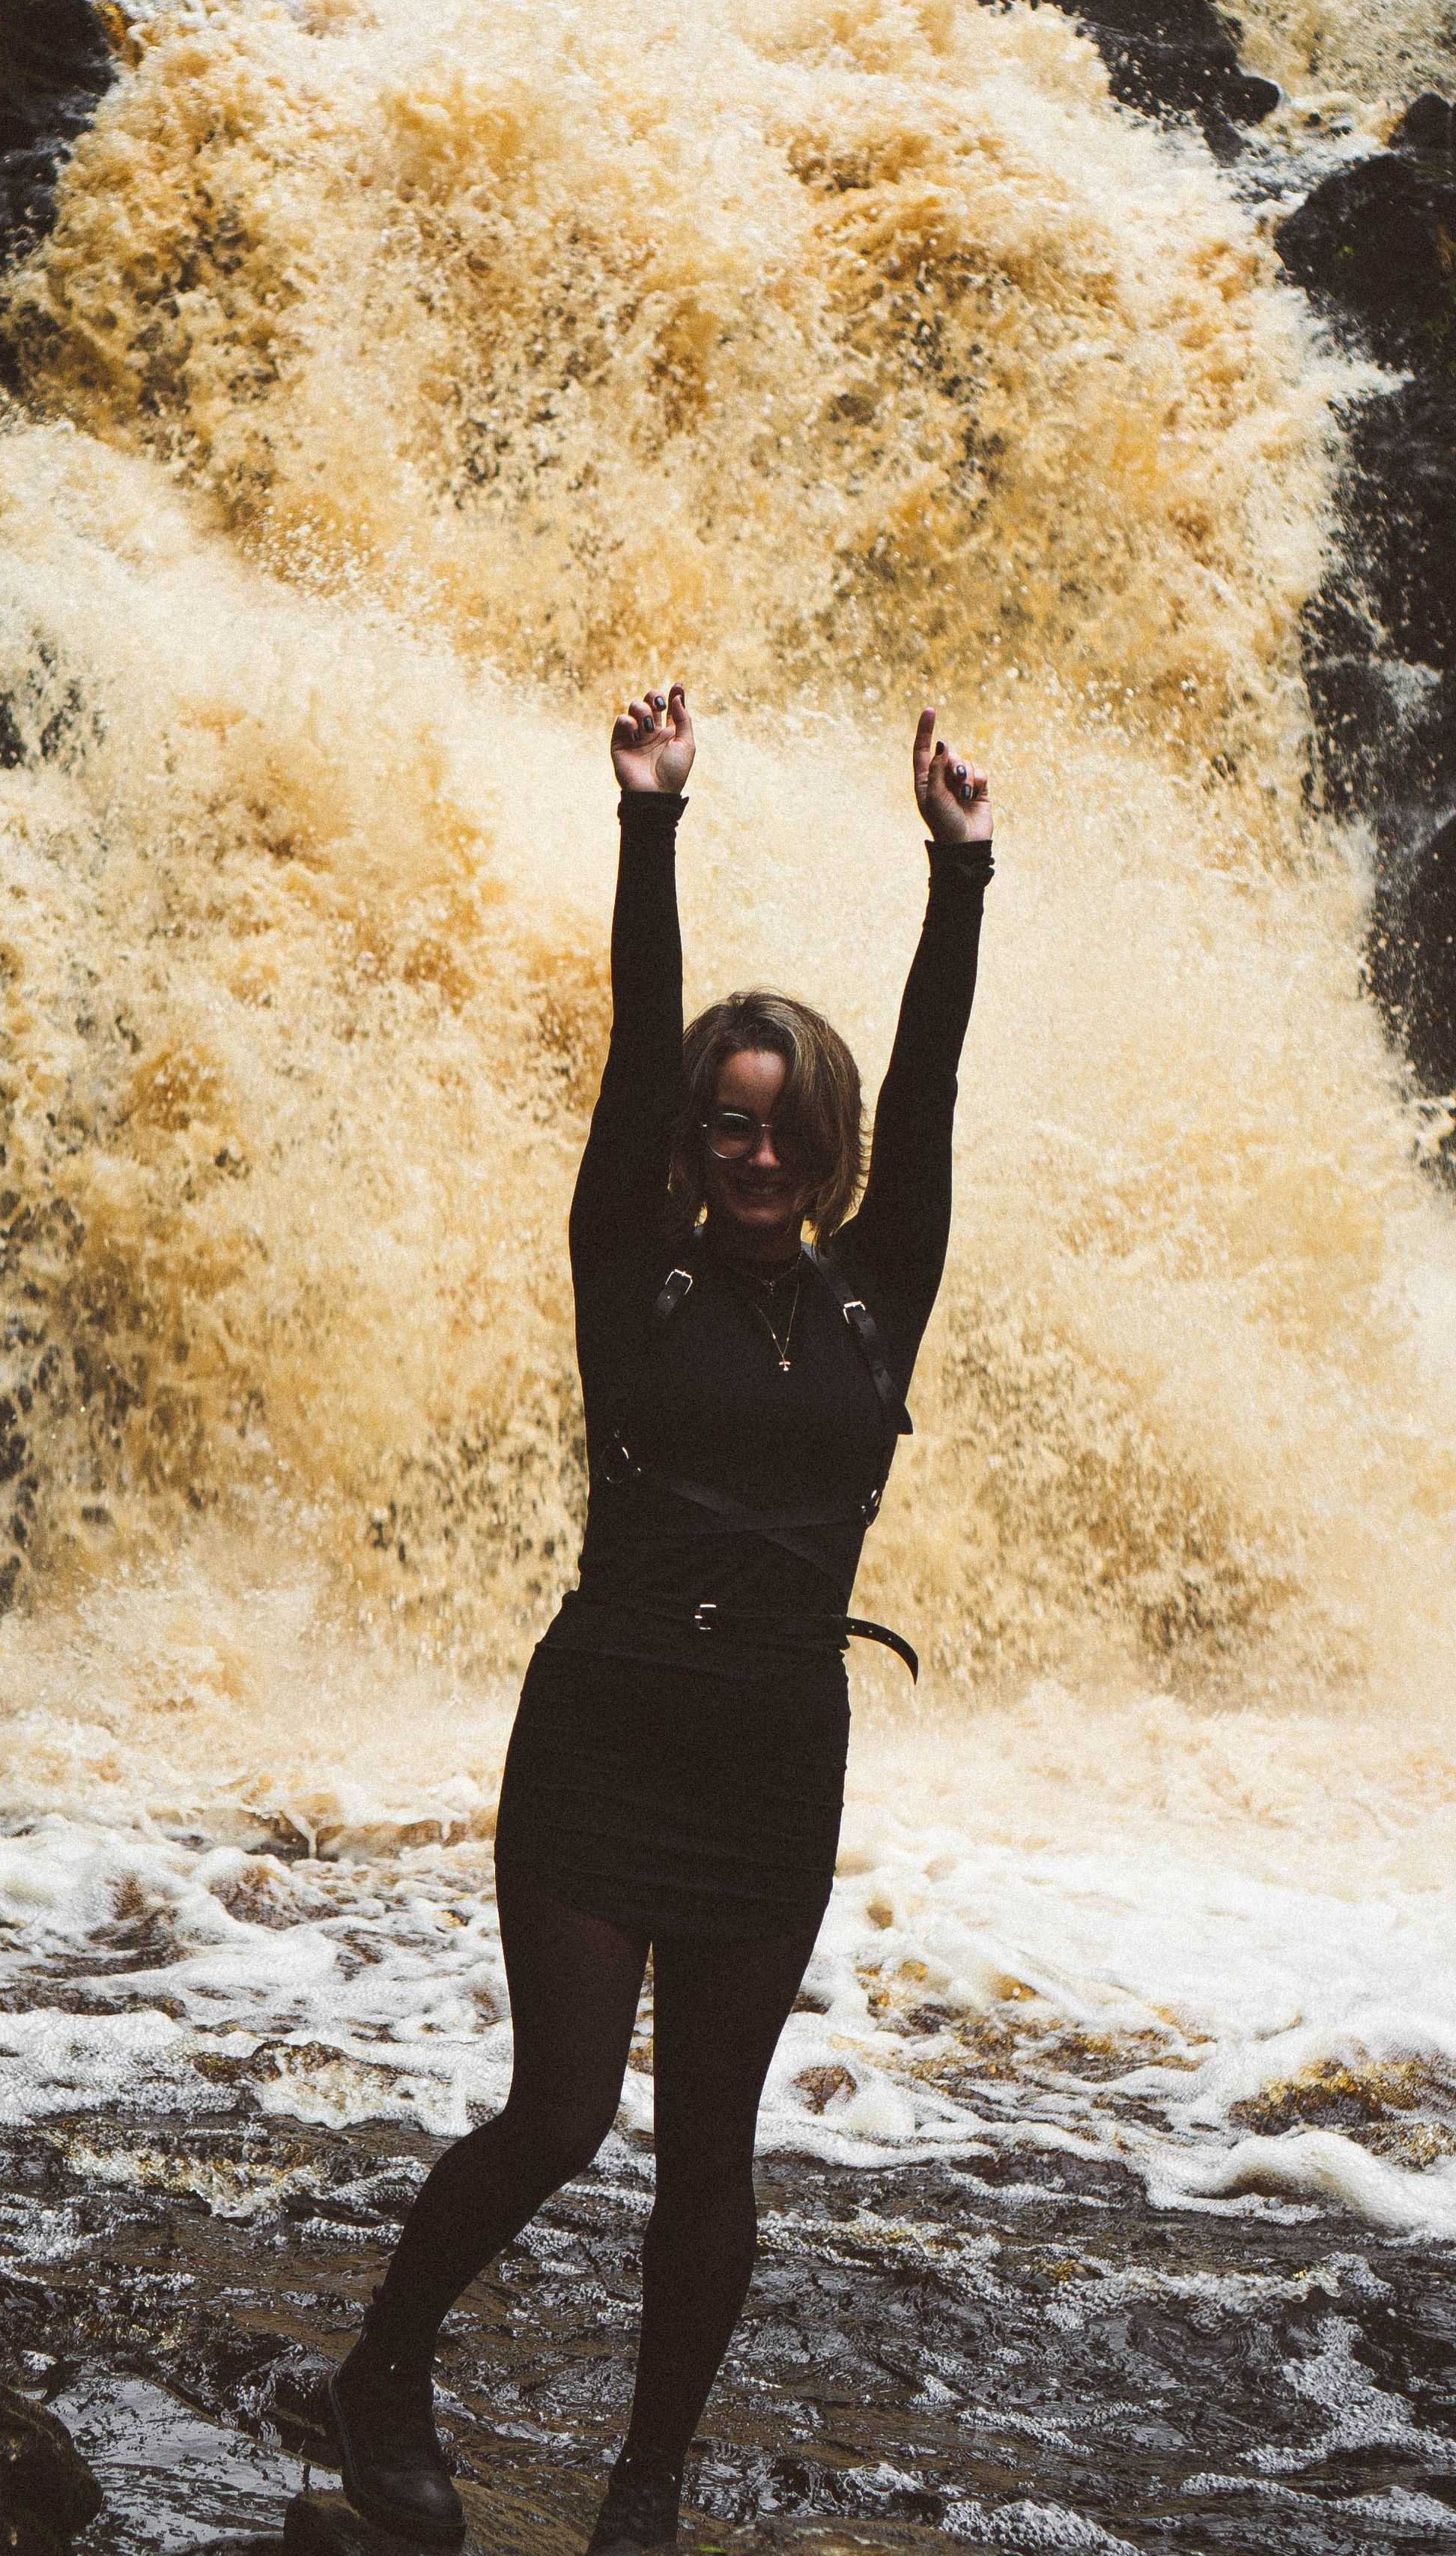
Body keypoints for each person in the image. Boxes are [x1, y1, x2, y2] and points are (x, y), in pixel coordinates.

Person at [323, 688, 993, 2554]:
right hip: (610, 1719)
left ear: (825, 1139)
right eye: (727, 1124)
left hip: (774, 1744)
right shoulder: (634, 1279)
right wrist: (647, 826)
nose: (751, 1150)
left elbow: (932, 1086)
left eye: (781, 1127)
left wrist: (958, 872)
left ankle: (643, 2494)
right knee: (557, 2117)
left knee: (711, 2148)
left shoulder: (878, 1294)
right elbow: (629, 1061)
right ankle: (383, 2366)